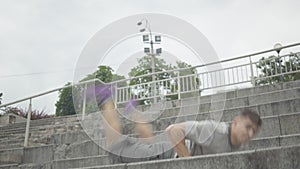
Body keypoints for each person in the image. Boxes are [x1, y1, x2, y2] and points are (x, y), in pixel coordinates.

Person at [95, 82, 262, 163]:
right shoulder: (215, 130)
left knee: (149, 142)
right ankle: (106, 98)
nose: (249, 134)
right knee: (115, 146)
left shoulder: (236, 144)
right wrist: (190, 164)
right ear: (236, 122)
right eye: (248, 127)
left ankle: (134, 111)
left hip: (167, 150)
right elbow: (173, 130)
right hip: (169, 152)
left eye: (253, 131)